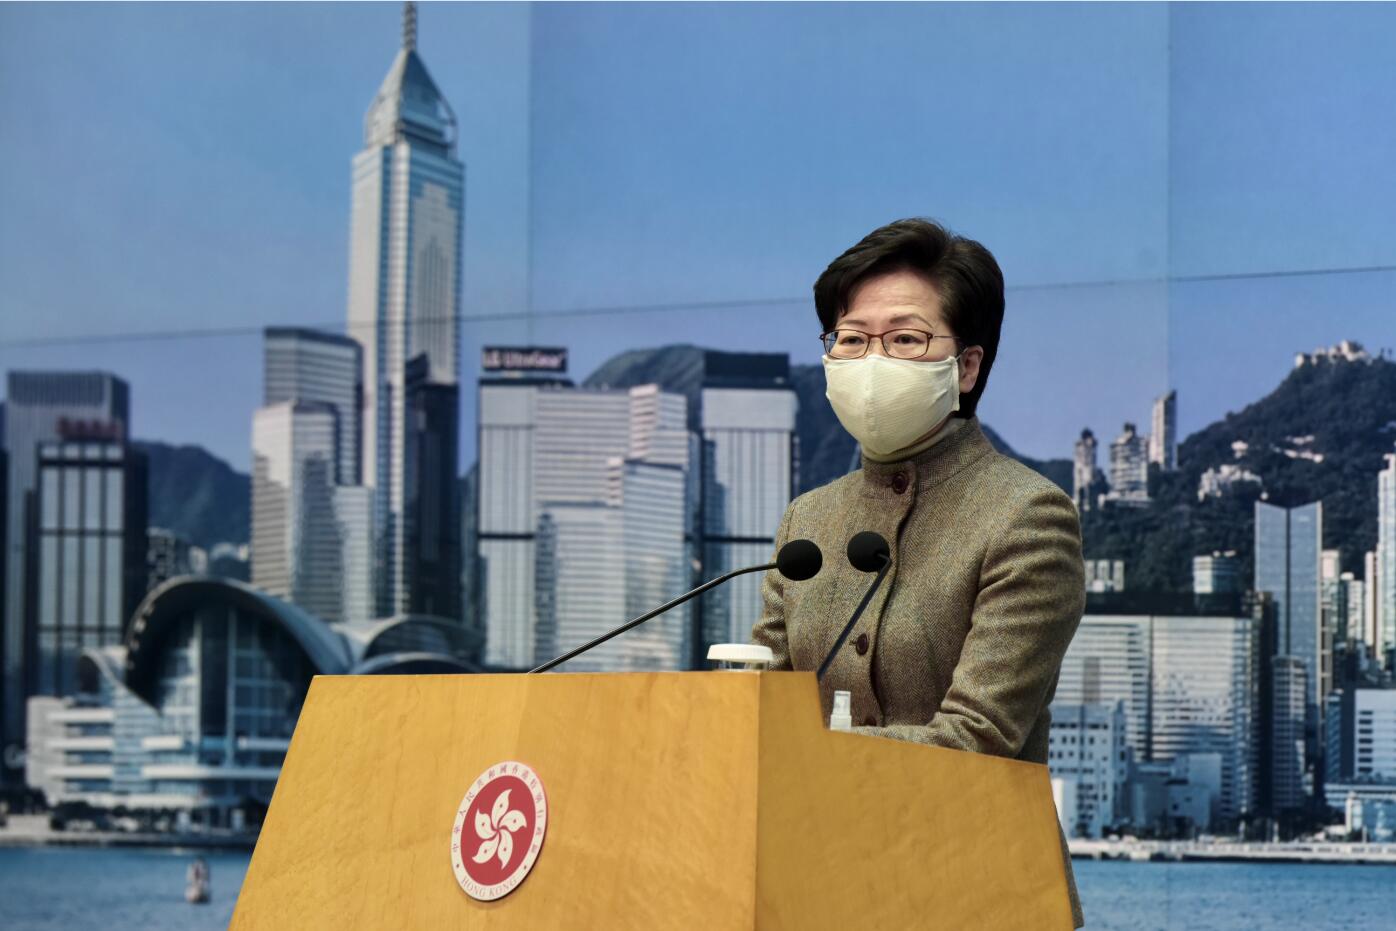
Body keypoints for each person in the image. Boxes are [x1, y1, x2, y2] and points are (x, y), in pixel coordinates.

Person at [751, 217, 1087, 928]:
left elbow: (975, 739)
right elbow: (761, 709)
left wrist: (797, 756)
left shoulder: (1026, 516)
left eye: (905, 339)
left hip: (975, 896)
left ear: (966, 367)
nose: (872, 360)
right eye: (851, 339)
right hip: (816, 893)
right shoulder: (807, 520)